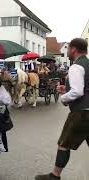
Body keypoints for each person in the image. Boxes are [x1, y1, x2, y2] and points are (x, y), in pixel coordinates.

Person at [35, 38, 89, 180]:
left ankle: (55, 175)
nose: (68, 51)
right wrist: (67, 88)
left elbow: (78, 91)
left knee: (63, 144)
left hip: (81, 112)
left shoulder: (76, 66)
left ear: (73, 49)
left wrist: (64, 98)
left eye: (68, 48)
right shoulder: (88, 64)